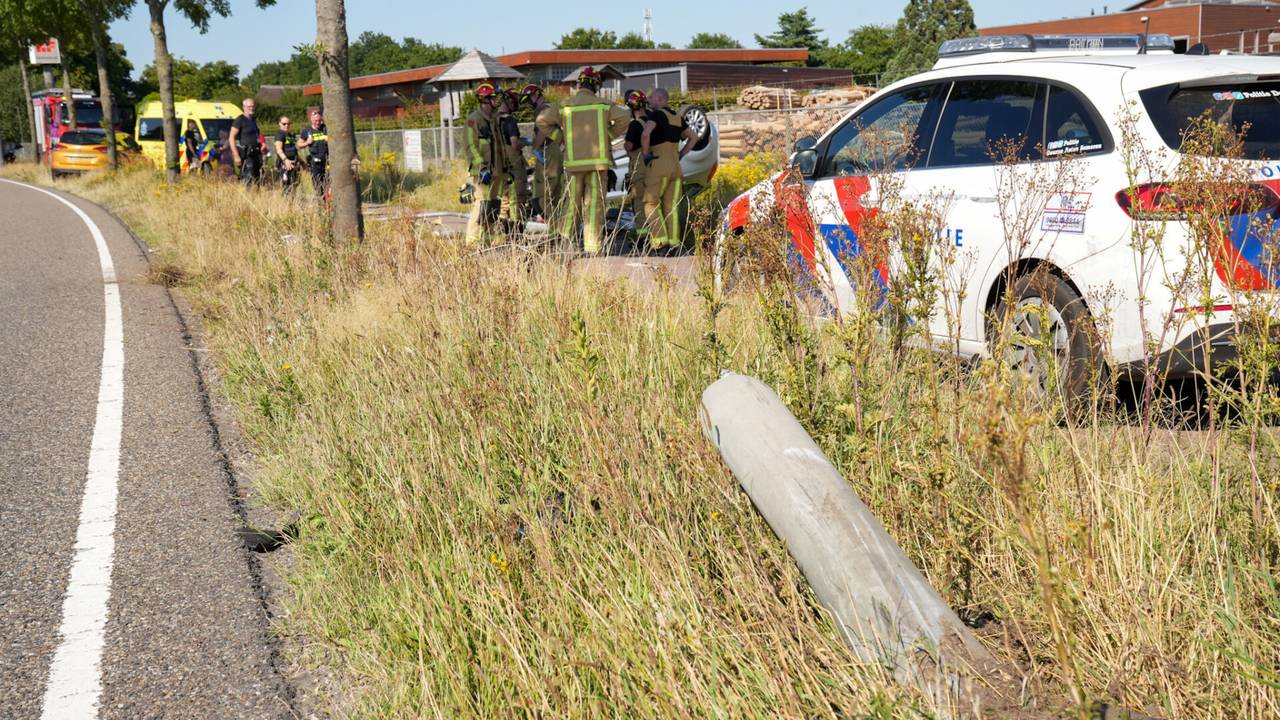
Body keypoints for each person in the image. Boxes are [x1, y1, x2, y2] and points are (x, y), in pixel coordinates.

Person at [557, 67, 629, 254]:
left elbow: (542, 121)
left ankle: (565, 242)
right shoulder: (603, 104)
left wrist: (560, 137)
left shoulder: (565, 104)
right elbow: (624, 118)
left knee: (572, 204)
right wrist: (607, 134)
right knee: (594, 205)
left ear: (579, 83)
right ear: (596, 85)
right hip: (597, 164)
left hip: (573, 165)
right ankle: (593, 247)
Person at [640, 88, 698, 251]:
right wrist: (681, 154)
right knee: (671, 206)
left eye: (651, 98)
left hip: (659, 163)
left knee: (651, 203)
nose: (649, 101)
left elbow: (645, 134)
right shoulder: (678, 117)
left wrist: (645, 154)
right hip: (675, 165)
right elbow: (693, 137)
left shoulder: (656, 115)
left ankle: (660, 242)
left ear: (659, 99)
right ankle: (674, 244)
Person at [463, 82, 508, 244]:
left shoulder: (493, 120)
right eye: (494, 98)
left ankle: (487, 242)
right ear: (485, 99)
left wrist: (505, 169)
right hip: (483, 173)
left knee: (492, 207)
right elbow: (470, 146)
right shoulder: (474, 119)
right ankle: (472, 243)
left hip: (496, 172)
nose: (497, 101)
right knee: (481, 206)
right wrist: (481, 168)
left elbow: (499, 147)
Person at [525, 83, 562, 226]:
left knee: (544, 194)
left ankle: (554, 226)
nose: (528, 103)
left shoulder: (543, 109)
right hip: (551, 150)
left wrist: (535, 146)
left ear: (537, 95)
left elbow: (542, 130)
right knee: (551, 193)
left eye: (529, 99)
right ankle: (556, 226)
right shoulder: (548, 108)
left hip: (548, 151)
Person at [498, 89, 532, 233]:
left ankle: (503, 230)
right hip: (513, 164)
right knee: (518, 198)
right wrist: (526, 142)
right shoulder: (509, 120)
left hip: (499, 165)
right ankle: (517, 234)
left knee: (504, 199)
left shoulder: (493, 120)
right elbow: (514, 144)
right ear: (509, 102)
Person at [622, 89, 649, 235]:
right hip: (655, 167)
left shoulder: (635, 125)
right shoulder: (653, 121)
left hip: (639, 169)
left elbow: (629, 146)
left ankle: (643, 236)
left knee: (639, 203)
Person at [229, 98, 263, 186]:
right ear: (244, 107)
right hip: (246, 155)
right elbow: (231, 137)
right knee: (248, 179)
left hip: (256, 153)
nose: (251, 108)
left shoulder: (253, 120)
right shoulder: (239, 120)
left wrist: (263, 144)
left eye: (253, 106)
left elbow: (258, 134)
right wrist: (236, 155)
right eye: (249, 107)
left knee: (257, 179)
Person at [296, 108, 329, 197]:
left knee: (329, 184)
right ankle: (321, 203)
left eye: (319, 120)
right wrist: (307, 142)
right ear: (311, 120)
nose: (317, 122)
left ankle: (329, 203)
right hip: (315, 163)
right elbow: (298, 144)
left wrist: (330, 139)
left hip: (327, 161)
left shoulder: (325, 128)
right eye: (315, 121)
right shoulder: (307, 131)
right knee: (318, 185)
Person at [274, 116, 300, 193]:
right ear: (279, 124)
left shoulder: (290, 135)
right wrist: (286, 160)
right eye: (284, 124)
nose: (286, 125)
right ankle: (287, 204)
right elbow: (279, 149)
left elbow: (294, 150)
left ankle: (293, 203)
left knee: (294, 185)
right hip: (285, 164)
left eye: (288, 124)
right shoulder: (280, 134)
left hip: (293, 163)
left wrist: (301, 162)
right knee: (286, 187)